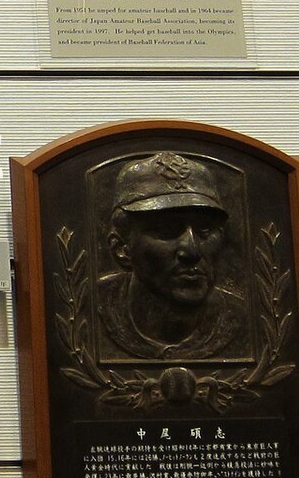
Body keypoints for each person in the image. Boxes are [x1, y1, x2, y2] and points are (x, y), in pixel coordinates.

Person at [97, 152, 244, 361]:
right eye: (167, 230)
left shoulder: (244, 318)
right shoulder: (87, 311)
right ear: (122, 249)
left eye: (205, 230)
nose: (191, 251)